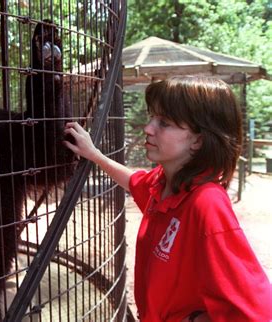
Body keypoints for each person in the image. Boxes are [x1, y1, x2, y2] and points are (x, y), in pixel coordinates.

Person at [63, 76, 271, 322]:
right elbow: (134, 181)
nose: (148, 128)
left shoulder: (206, 203)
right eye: (153, 117)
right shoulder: (164, 184)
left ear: (199, 140)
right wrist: (94, 155)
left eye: (165, 123)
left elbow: (259, 309)